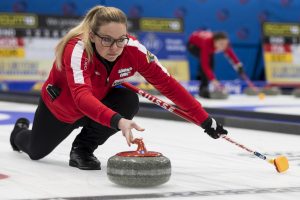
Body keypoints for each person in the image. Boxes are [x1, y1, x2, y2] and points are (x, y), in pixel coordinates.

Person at [9, 5, 227, 170]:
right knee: (36, 152)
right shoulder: (77, 48)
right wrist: (117, 120)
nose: (114, 48)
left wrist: (204, 120)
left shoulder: (133, 50)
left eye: (120, 39)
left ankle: (82, 150)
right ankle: (18, 132)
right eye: (106, 40)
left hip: (99, 108)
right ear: (92, 36)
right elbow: (81, 96)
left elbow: (168, 84)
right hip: (62, 110)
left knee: (127, 100)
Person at [187, 30, 244, 98]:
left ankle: (205, 82)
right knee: (206, 65)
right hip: (193, 45)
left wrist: (238, 65)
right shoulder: (207, 42)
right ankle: (203, 89)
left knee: (211, 64)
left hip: (207, 45)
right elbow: (205, 65)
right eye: (221, 44)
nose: (223, 46)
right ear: (214, 41)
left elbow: (230, 53)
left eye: (225, 44)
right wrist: (213, 80)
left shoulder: (223, 43)